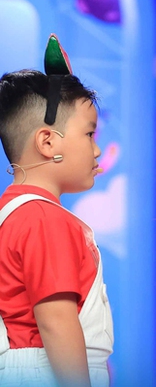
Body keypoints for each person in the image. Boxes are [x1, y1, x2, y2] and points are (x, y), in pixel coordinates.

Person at [0, 34, 113, 386]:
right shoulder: (44, 219)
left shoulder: (13, 213)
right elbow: (56, 323)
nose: (97, 151)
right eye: (89, 135)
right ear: (47, 142)